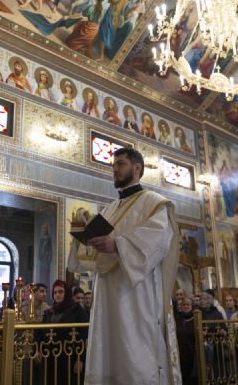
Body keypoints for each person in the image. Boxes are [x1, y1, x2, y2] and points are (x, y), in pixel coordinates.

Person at [68, 147, 182, 384]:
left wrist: (118, 245)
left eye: (120, 164)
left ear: (137, 168)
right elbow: (95, 252)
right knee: (108, 348)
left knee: (135, 350)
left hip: (135, 295)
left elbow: (159, 240)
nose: (115, 169)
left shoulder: (154, 203)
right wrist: (82, 235)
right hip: (106, 294)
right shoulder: (110, 208)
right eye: (113, 165)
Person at [36, 280, 89, 384]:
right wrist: (36, 349)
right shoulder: (49, 312)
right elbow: (40, 332)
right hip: (50, 358)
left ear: (67, 293)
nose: (57, 295)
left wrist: (80, 359)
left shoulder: (77, 310)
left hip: (69, 358)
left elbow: (84, 335)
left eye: (60, 292)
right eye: (55, 292)